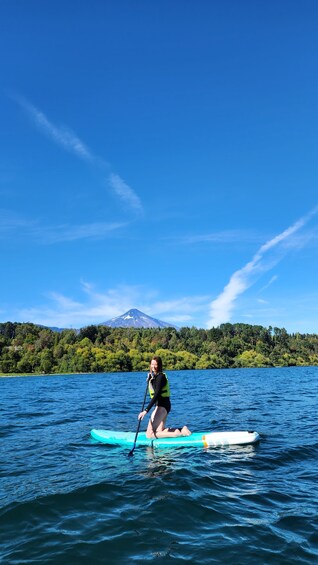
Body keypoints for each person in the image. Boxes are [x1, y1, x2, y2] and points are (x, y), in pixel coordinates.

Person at [138, 356, 191, 439]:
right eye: (152, 364)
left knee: (149, 434)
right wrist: (150, 380)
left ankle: (176, 434)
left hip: (162, 407)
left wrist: (146, 411)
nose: (153, 367)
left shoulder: (161, 377)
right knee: (159, 431)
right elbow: (154, 387)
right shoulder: (154, 377)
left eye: (156, 365)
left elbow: (157, 395)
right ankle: (182, 429)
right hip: (162, 406)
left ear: (159, 365)